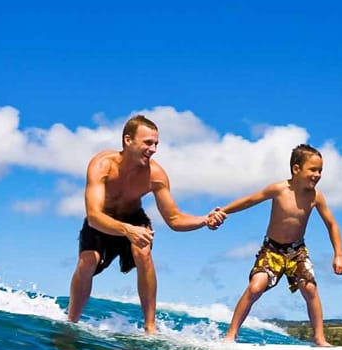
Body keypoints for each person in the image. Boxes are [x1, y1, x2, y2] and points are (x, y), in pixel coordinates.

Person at [67, 114, 225, 331]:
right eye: (148, 143)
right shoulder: (102, 165)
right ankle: (71, 320)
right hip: (102, 220)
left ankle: (150, 327)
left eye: (156, 144)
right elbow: (94, 217)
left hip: (134, 218)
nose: (153, 149)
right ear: (128, 140)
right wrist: (125, 229)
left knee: (143, 253)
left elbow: (174, 219)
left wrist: (204, 220)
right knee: (88, 261)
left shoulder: (155, 175)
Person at [219, 144, 342, 346]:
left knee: (310, 289)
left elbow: (332, 224)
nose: (317, 175)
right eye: (313, 170)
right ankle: (230, 335)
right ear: (296, 169)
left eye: (320, 170)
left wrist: (339, 254)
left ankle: (320, 339)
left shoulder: (315, 197)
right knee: (255, 287)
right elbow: (250, 200)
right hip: (271, 250)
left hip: (297, 252)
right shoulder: (278, 189)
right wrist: (224, 211)